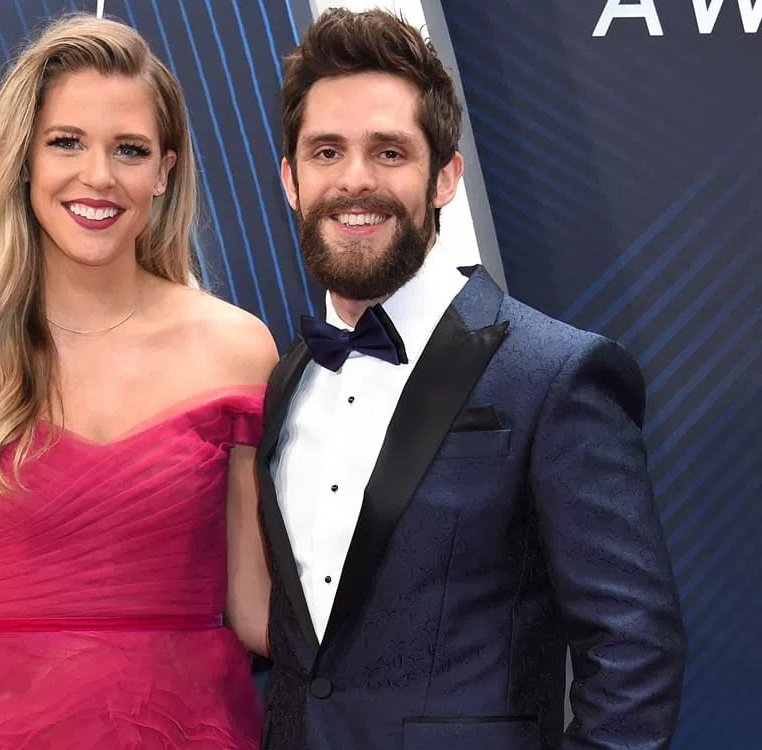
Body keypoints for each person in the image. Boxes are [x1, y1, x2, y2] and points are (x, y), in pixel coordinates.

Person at [256, 8, 686, 750]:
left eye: (389, 152)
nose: (354, 179)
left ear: (445, 177)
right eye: (327, 152)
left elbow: (634, 653)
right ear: (292, 180)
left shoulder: (554, 375)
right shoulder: (285, 380)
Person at [0, 14, 276, 749]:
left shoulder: (237, 351)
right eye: (66, 142)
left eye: (130, 149)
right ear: (24, 159)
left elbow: (257, 609)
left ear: (164, 172)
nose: (98, 176)